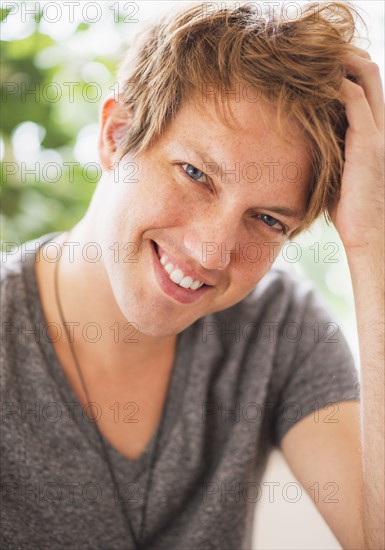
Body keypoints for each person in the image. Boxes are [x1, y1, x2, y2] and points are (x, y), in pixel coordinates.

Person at [1, 1, 384, 549]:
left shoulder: (276, 326)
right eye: (196, 174)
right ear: (115, 135)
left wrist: (374, 246)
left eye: (269, 219)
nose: (211, 252)